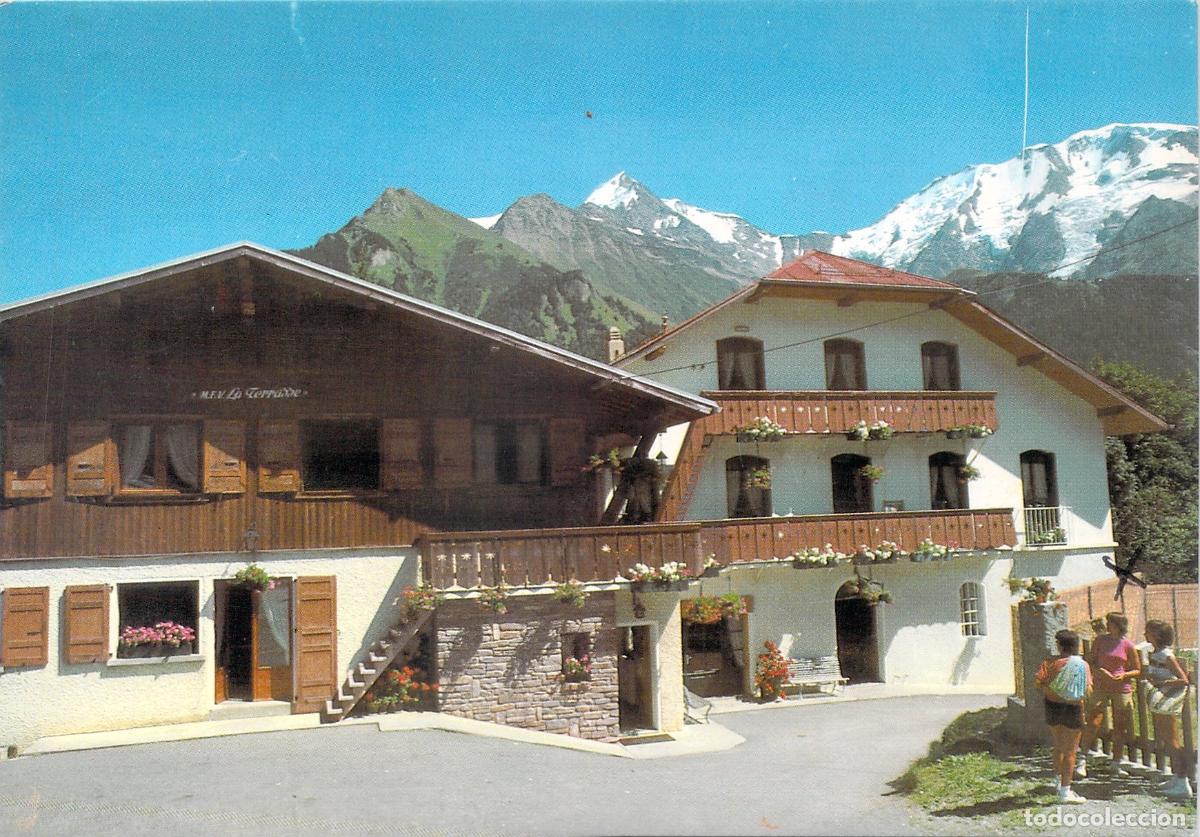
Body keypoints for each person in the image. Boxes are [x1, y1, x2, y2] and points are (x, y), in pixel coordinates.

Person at [1077, 612, 1141, 778]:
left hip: (1121, 687)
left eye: (1110, 622)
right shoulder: (1100, 640)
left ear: (1119, 625)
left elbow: (1137, 669)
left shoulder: (1128, 645)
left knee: (1120, 725)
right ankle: (1082, 759)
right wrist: (1100, 671)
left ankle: (1116, 762)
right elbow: (1089, 660)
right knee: (1094, 721)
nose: (1107, 625)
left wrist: (1124, 675)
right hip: (1101, 686)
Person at [1036, 629, 1092, 804]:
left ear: (1060, 646)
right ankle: (1066, 791)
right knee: (1070, 751)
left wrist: (1055, 692)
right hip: (1073, 708)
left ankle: (1058, 781)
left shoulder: (1052, 664)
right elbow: (1088, 690)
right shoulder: (1083, 666)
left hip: (1052, 706)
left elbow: (1040, 683)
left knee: (1058, 745)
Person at [1143, 620, 1193, 799]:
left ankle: (1182, 781)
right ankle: (1176, 777)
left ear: (1157, 635)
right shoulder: (1155, 653)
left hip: (1167, 700)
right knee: (1166, 739)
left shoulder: (1166, 655)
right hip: (1160, 700)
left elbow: (1184, 679)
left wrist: (1162, 683)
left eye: (1148, 632)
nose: (1144, 634)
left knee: (1172, 741)